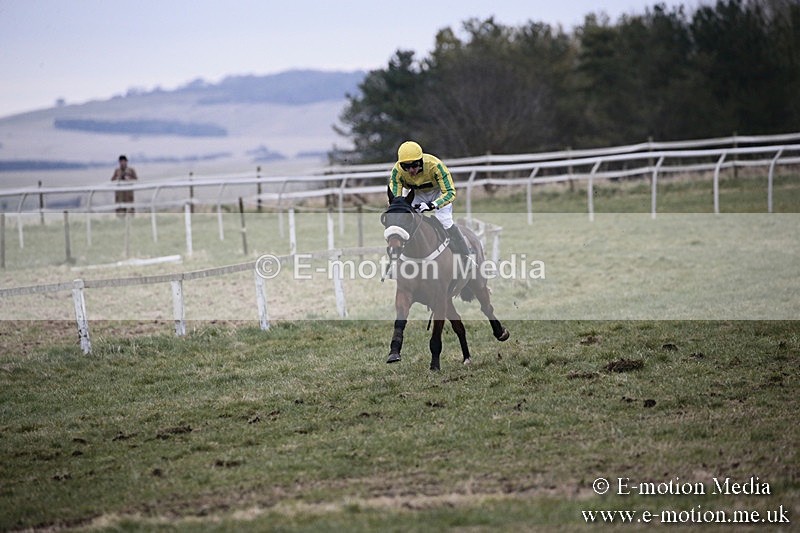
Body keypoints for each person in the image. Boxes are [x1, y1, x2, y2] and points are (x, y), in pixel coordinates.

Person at [389, 140, 472, 256]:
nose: (411, 170)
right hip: (416, 194)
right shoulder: (397, 171)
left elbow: (450, 193)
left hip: (438, 193)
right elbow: (395, 200)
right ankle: (394, 259)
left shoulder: (435, 166)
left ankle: (466, 255)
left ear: (421, 161)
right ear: (400, 165)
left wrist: (432, 205)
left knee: (445, 221)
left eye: (414, 165)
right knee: (404, 220)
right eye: (406, 167)